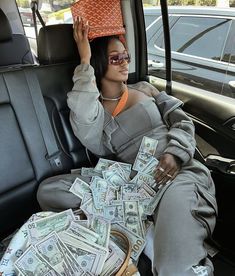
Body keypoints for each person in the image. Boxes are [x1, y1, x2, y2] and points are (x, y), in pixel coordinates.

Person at [37, 17, 217, 276]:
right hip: (131, 185)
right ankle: (142, 227)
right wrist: (85, 60)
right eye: (115, 58)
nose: (124, 63)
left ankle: (147, 232)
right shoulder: (96, 113)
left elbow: (182, 121)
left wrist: (176, 154)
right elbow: (83, 110)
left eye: (126, 56)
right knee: (49, 190)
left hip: (177, 175)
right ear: (100, 63)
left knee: (175, 269)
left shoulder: (145, 88)